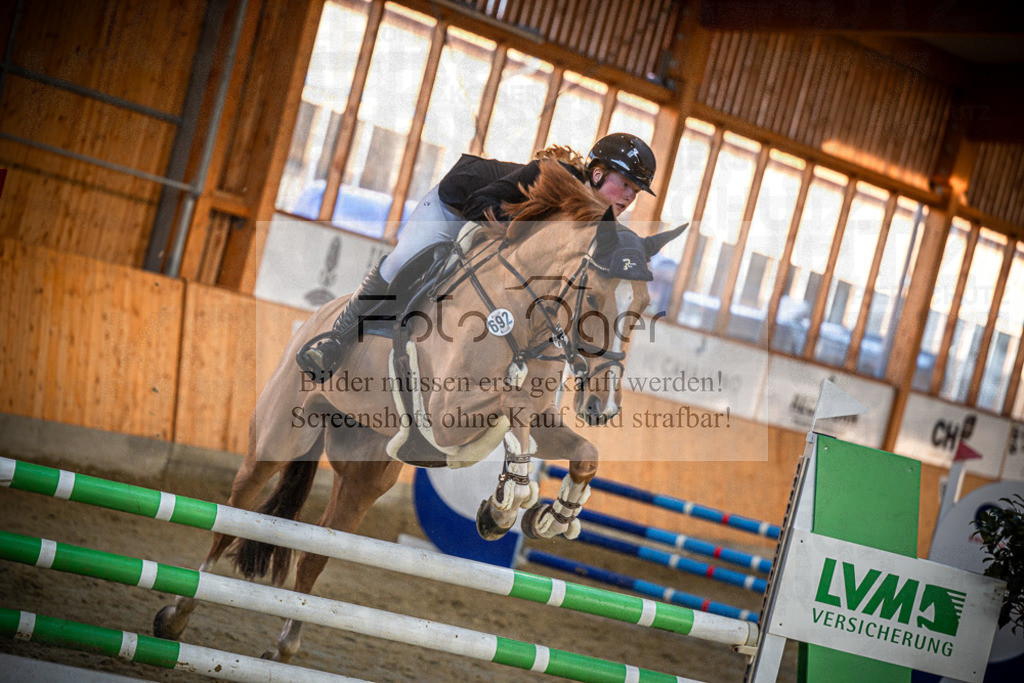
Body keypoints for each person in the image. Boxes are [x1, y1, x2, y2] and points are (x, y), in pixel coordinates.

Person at [297, 132, 657, 378]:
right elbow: (478, 203)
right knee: (405, 261)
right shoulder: (553, 176)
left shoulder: (594, 222)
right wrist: (522, 231)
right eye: (625, 184)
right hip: (455, 205)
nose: (629, 196)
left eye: (636, 191)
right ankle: (335, 340)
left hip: (489, 225)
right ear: (597, 173)